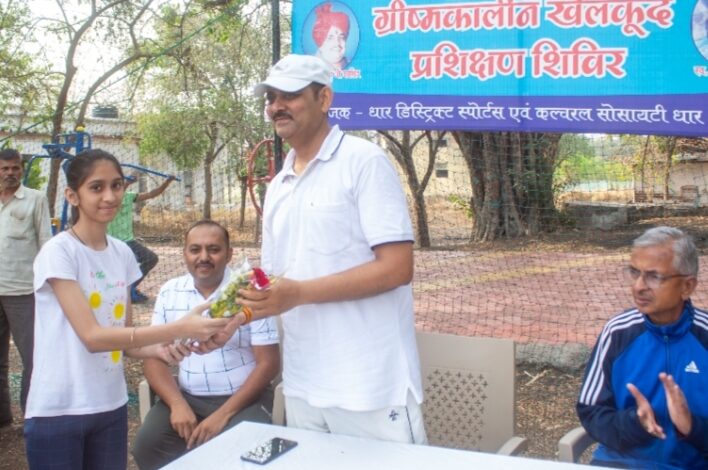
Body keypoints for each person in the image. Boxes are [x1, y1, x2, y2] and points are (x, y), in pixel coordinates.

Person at [244, 54, 426, 444]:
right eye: (271, 97)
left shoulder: (364, 162)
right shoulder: (278, 185)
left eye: (290, 95)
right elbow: (274, 282)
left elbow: (397, 268)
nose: (276, 106)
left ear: (324, 99)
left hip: (370, 387)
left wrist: (298, 293)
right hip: (303, 384)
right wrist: (229, 319)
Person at [24, 149, 231, 470]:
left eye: (117, 185)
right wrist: (180, 327)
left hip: (110, 405)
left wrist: (167, 349)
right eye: (96, 187)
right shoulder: (59, 252)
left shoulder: (122, 253)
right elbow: (93, 337)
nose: (110, 196)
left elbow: (127, 341)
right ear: (72, 195)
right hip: (59, 409)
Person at [132, 220, 280, 470]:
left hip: (244, 399)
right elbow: (153, 358)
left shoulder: (249, 290)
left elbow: (269, 363)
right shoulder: (170, 292)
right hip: (187, 397)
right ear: (184, 254)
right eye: (195, 249)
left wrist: (223, 415)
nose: (203, 257)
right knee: (147, 447)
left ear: (229, 254)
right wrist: (177, 404)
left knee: (243, 454)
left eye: (213, 249)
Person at [577, 226, 708, 469]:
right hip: (621, 463)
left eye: (654, 276)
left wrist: (692, 426)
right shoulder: (617, 332)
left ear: (687, 286)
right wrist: (635, 424)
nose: (639, 286)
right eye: (634, 272)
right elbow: (591, 411)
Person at [0, 149, 51, 426]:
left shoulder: (35, 199)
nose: (10, 173)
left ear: (21, 169)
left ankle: (32, 417)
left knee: (33, 357)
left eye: (15, 168)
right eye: (5, 168)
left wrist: (48, 287)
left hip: (23, 293)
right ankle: (2, 417)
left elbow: (46, 244)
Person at [107, 173, 175, 303]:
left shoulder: (129, 197)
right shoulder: (110, 198)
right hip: (113, 242)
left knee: (150, 259)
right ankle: (126, 290)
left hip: (128, 241)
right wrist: (127, 183)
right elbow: (116, 195)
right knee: (126, 266)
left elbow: (152, 194)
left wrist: (167, 182)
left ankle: (130, 287)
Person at [312, 2, 350, 70]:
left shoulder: (352, 65)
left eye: (341, 37)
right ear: (320, 42)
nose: (337, 43)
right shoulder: (311, 68)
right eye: (330, 38)